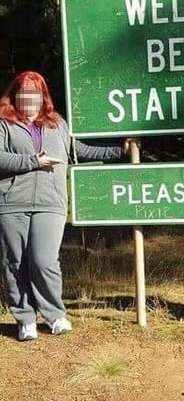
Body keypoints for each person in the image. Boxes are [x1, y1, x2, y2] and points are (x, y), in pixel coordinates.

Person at [0, 71, 127, 341]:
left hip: (50, 202)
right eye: (23, 92)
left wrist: (120, 150)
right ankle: (25, 319)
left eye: (34, 93)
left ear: (42, 96)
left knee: (44, 260)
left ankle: (55, 315)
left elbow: (78, 151)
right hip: (11, 203)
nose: (28, 98)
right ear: (15, 95)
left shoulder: (57, 124)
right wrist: (33, 161)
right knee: (15, 262)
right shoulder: (4, 123)